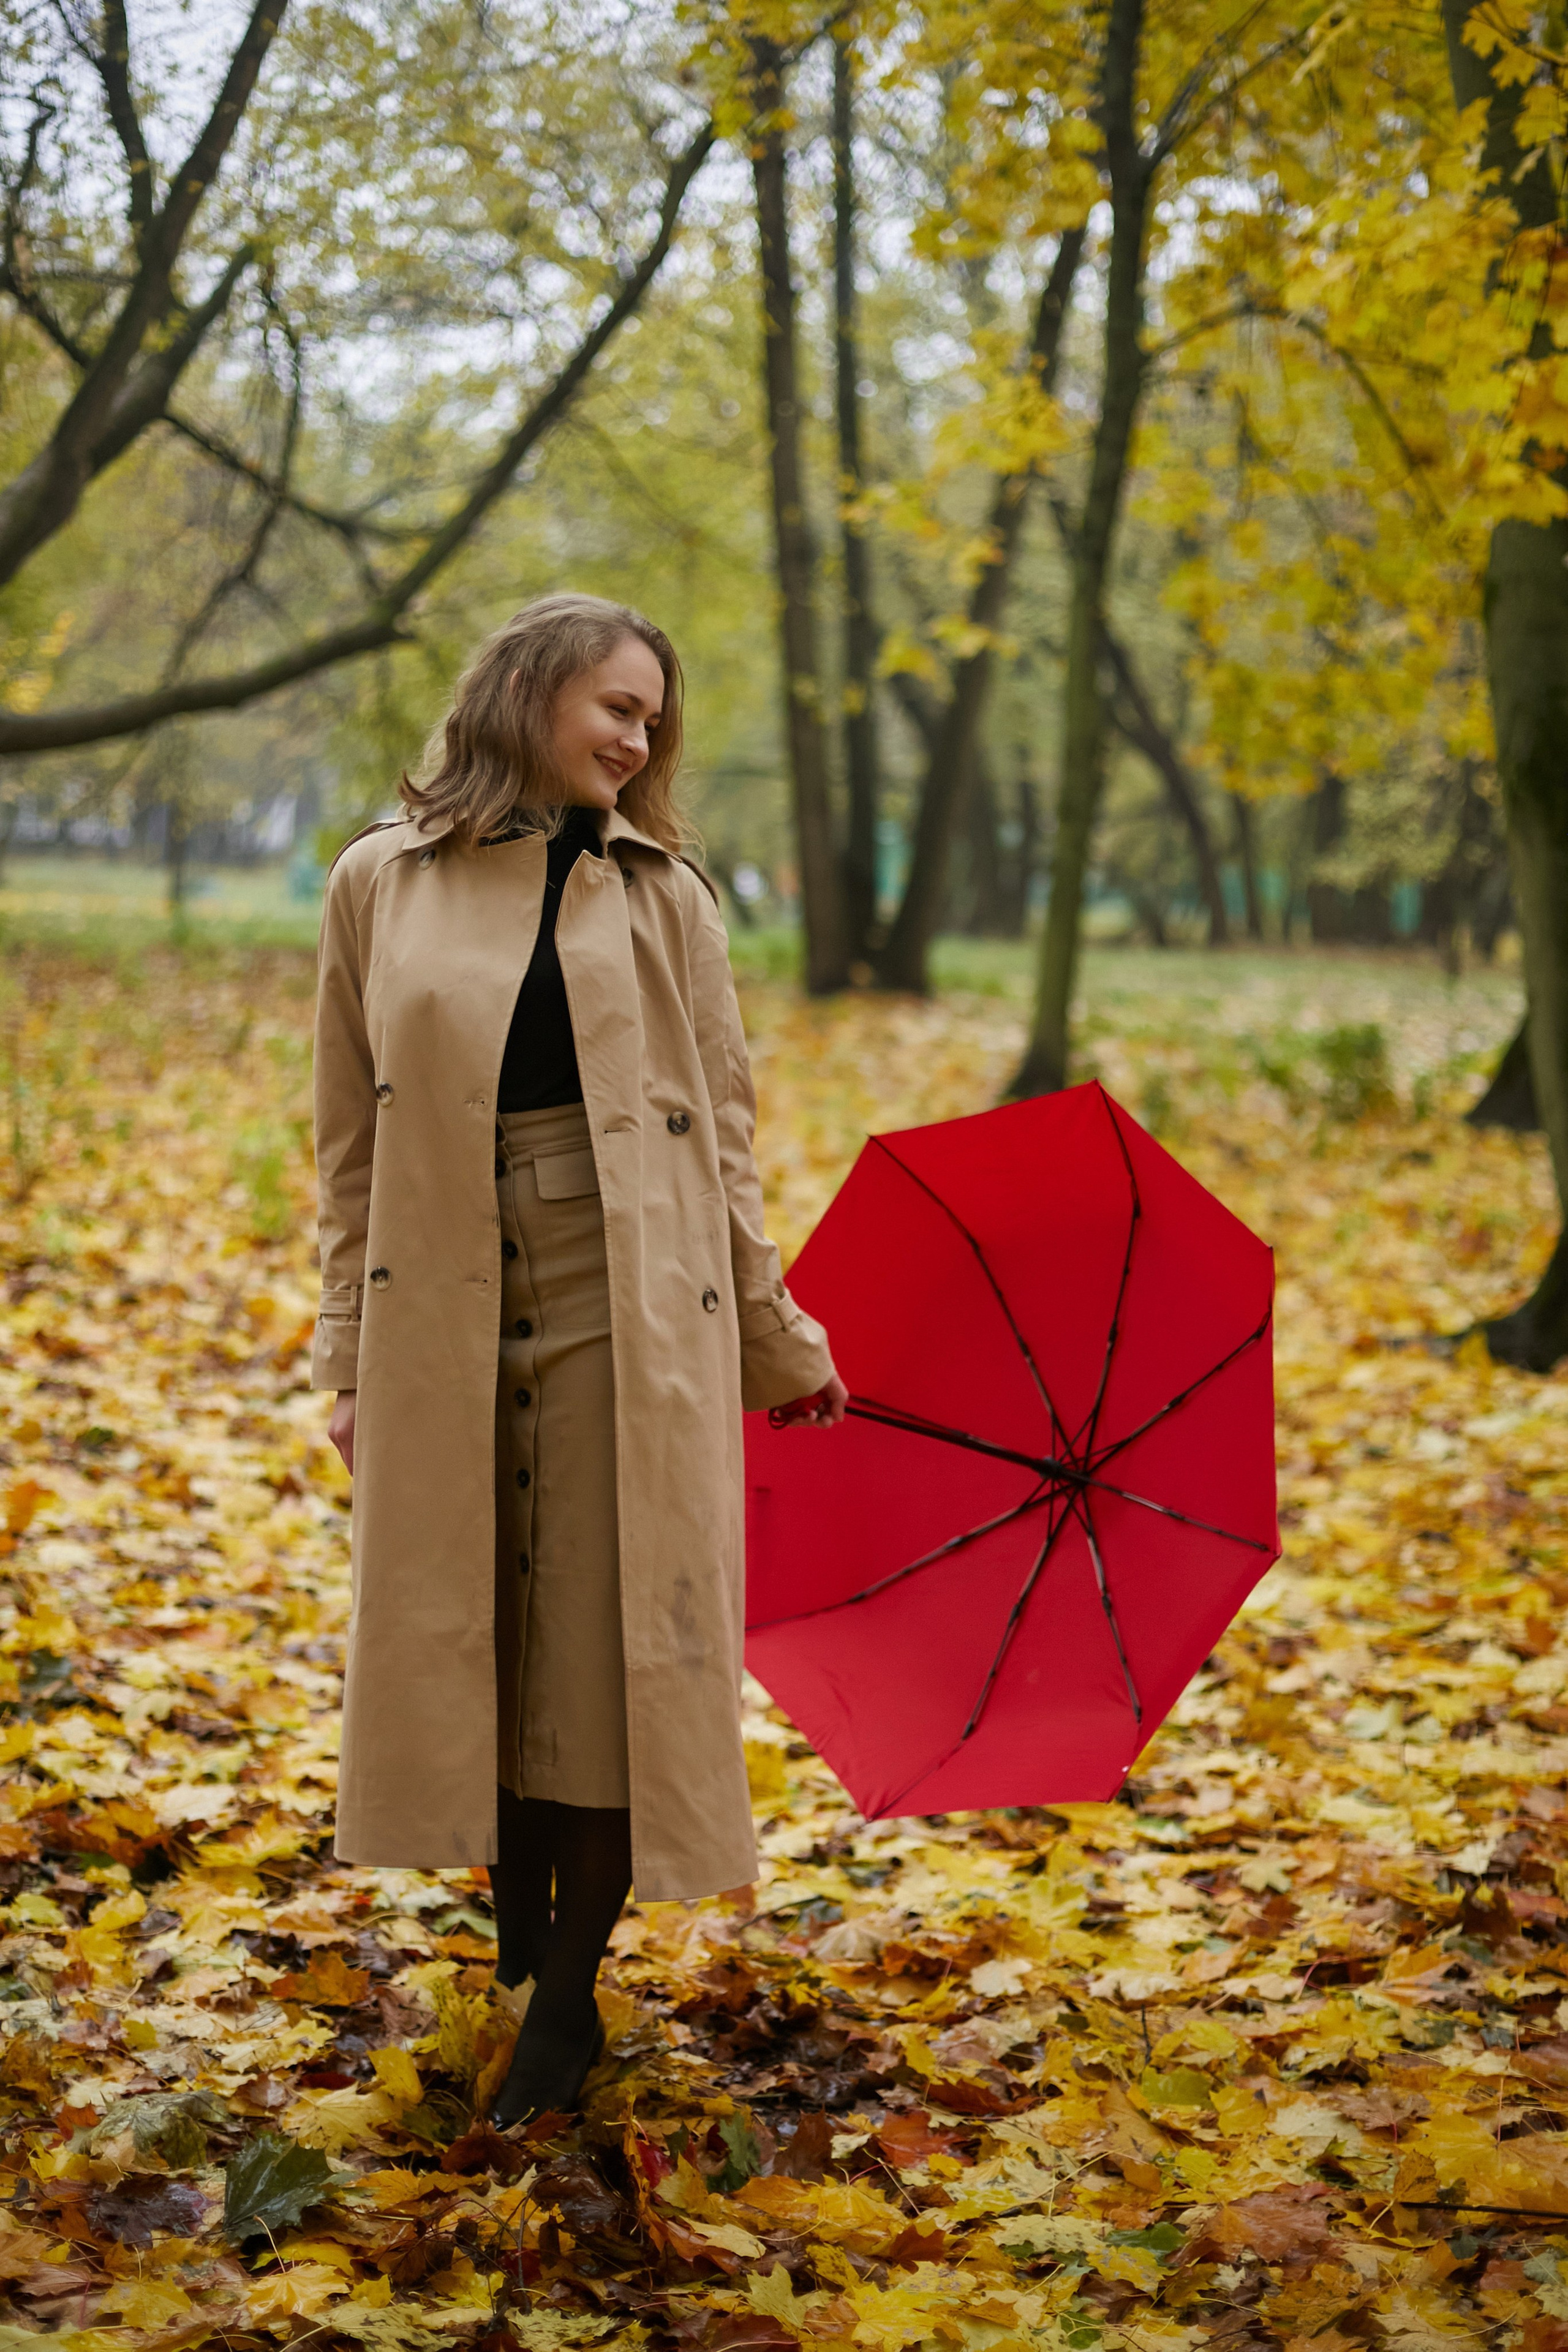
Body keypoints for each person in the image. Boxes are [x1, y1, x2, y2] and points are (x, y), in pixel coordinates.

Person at [311, 593, 845, 2126]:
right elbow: (348, 1148)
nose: (638, 736)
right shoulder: (377, 881)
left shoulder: (668, 895)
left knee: (613, 1648)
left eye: (652, 719)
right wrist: (347, 1356)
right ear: (529, 689)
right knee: (467, 1624)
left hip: (636, 1280)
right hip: (442, 1293)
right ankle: (516, 1939)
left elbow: (724, 1137)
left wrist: (773, 1334)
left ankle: (565, 2001)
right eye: (616, 704)